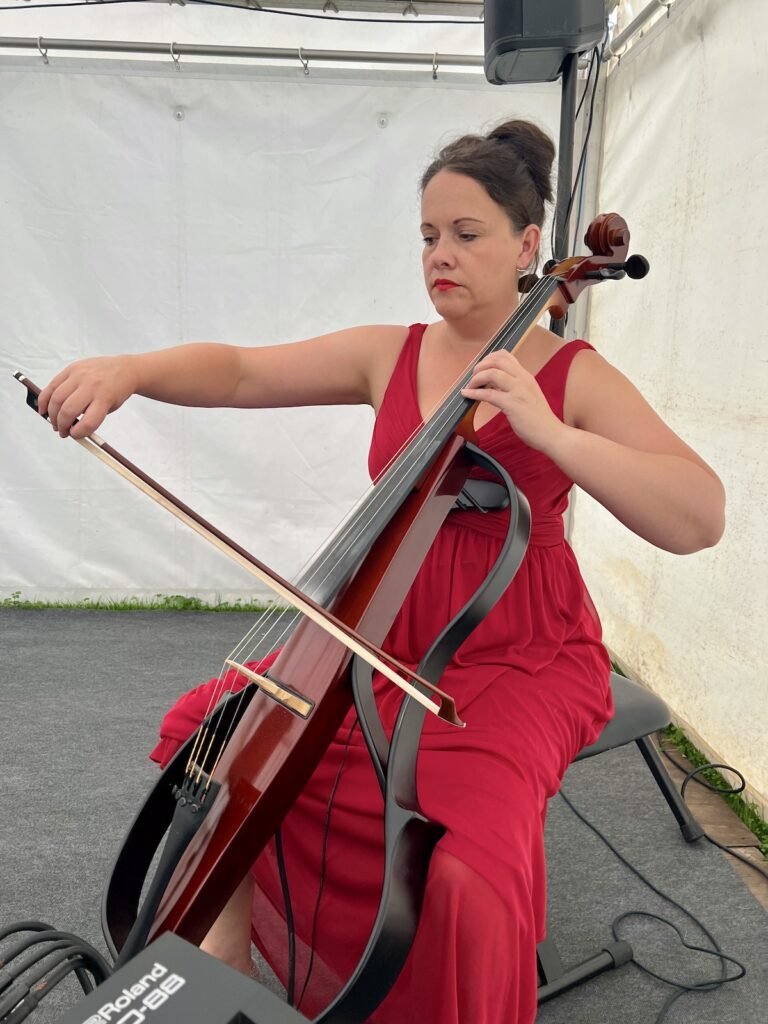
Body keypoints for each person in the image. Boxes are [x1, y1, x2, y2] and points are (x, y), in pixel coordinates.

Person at [39, 118, 725, 1024]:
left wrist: (550, 432)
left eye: (466, 235)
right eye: (428, 237)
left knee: (469, 865)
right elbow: (244, 372)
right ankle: (230, 973)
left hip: (514, 649)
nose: (441, 255)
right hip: (383, 628)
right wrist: (130, 370)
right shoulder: (391, 352)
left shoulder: (573, 374)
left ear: (528, 247)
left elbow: (699, 514)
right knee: (220, 736)